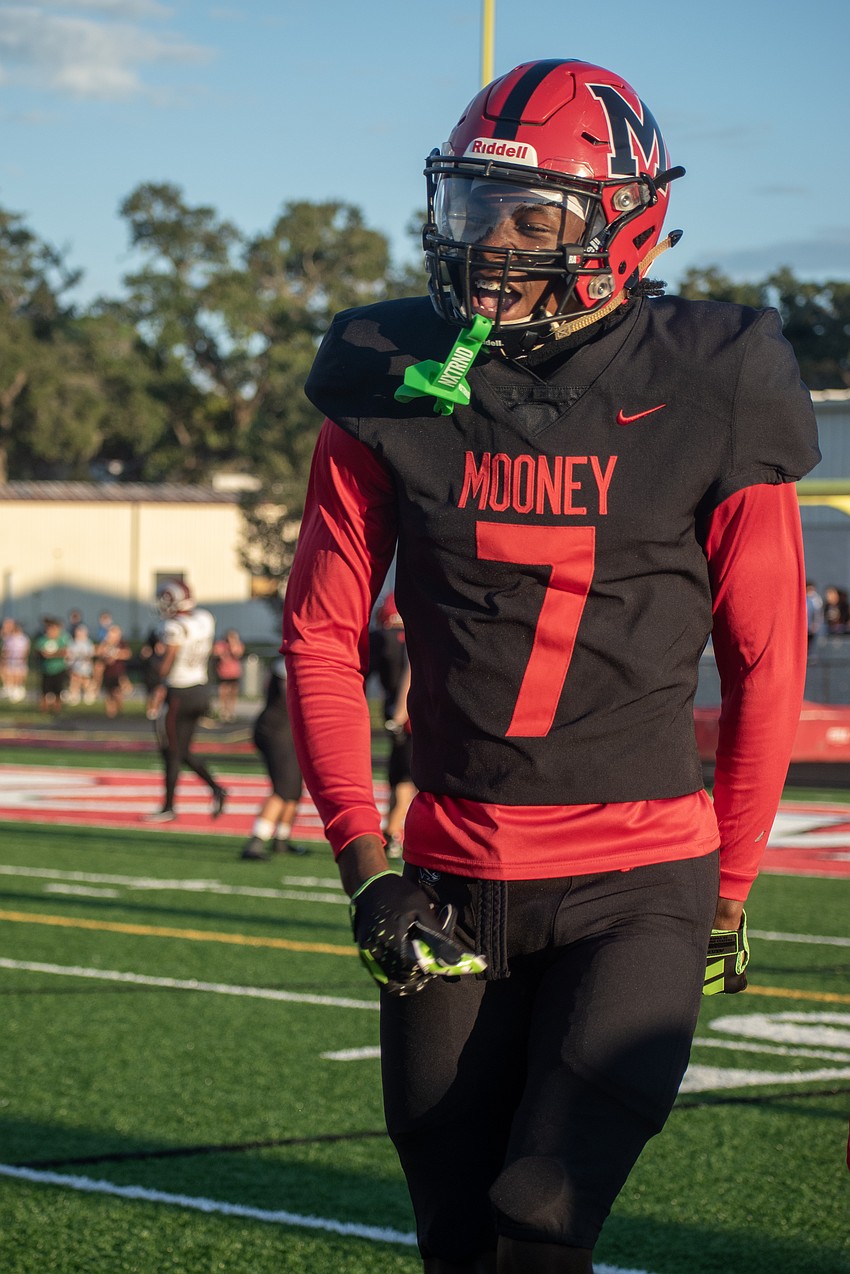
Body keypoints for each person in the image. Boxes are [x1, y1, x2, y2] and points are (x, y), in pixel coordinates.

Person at [282, 59, 820, 1274]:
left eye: (531, 215)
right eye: (471, 207)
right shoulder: (387, 370)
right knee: (455, 1232)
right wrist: (366, 867)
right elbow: (319, 630)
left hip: (638, 880)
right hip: (451, 870)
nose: (487, 244)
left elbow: (761, 654)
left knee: (539, 1211)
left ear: (622, 221)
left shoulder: (712, 372)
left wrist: (727, 885)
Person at [145, 579, 226, 823]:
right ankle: (216, 789)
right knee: (181, 749)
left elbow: (168, 660)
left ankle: (169, 807)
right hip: (200, 690)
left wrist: (157, 680)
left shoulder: (173, 627)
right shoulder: (205, 619)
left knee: (171, 751)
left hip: (178, 691)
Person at [240, 656, 306, 860]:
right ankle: (256, 842)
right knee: (283, 788)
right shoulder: (290, 661)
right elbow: (295, 692)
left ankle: (282, 839)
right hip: (276, 730)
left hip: (288, 731)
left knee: (294, 789)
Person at [33, 617, 69, 715]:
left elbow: (65, 651)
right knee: (44, 691)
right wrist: (49, 655)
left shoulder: (62, 639)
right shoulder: (42, 640)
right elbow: (40, 652)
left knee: (58, 691)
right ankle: (43, 710)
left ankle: (57, 710)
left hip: (59, 669)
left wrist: (51, 655)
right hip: (46, 669)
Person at [96, 623, 132, 718]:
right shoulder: (105, 644)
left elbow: (127, 654)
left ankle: (120, 711)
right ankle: (110, 715)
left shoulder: (122, 644)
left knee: (117, 692)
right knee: (109, 694)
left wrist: (116, 655)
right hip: (107, 672)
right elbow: (98, 653)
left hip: (118, 672)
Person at [212, 628, 245, 722]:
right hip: (223, 672)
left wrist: (233, 644)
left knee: (233, 692)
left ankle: (231, 711)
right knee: (224, 691)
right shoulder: (221, 645)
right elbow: (215, 653)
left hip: (234, 672)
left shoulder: (238, 645)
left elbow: (238, 654)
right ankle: (223, 710)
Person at [65, 622, 96, 705]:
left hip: (85, 665)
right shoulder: (72, 643)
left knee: (85, 680)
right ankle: (74, 694)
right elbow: (69, 654)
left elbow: (90, 655)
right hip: (75, 664)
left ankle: (89, 694)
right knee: (74, 679)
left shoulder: (88, 643)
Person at [0, 618, 30, 703]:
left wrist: (23, 658)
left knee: (18, 674)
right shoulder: (9, 638)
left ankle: (18, 689)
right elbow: (6, 649)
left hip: (19, 660)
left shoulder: (23, 638)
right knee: (9, 673)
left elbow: (26, 649)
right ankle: (10, 688)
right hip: (10, 659)